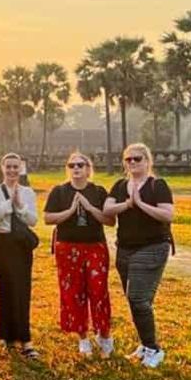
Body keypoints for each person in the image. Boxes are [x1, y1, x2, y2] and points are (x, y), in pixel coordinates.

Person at [103, 143, 174, 368]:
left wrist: (141, 204)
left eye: (137, 159)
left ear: (147, 161)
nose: (132, 163)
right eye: (128, 160)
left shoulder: (157, 185)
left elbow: (167, 215)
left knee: (138, 299)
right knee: (136, 300)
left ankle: (154, 349)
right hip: (125, 248)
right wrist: (128, 203)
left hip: (152, 247)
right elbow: (107, 210)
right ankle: (145, 345)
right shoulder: (120, 185)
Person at [44, 152, 114, 359]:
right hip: (67, 248)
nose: (76, 168)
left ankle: (104, 335)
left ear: (88, 169)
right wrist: (71, 210)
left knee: (98, 290)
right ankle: (83, 337)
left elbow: (110, 221)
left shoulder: (99, 191)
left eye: (80, 165)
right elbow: (48, 218)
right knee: (73, 292)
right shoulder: (59, 192)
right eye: (72, 164)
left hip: (95, 247)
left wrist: (90, 208)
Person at [0, 153, 40, 359]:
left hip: (20, 244)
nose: (12, 171)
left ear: (21, 168)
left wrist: (20, 205)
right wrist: (10, 204)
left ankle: (25, 340)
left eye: (16, 167)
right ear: (2, 167)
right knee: (7, 289)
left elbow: (33, 220)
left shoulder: (28, 192)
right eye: (8, 167)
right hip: (2, 242)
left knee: (23, 290)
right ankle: (7, 336)